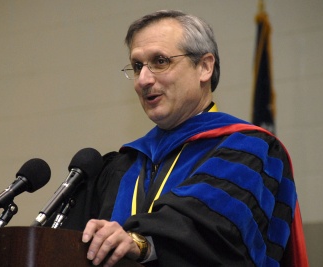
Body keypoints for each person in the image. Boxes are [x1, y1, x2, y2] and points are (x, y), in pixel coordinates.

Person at [60, 10, 307, 267]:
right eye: (137, 66)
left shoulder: (250, 150)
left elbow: (215, 231)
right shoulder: (122, 166)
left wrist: (140, 243)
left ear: (204, 67)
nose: (143, 79)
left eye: (160, 61)